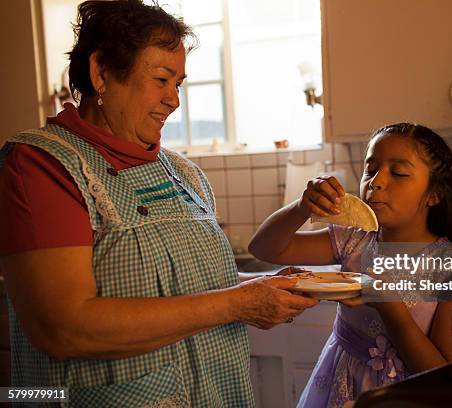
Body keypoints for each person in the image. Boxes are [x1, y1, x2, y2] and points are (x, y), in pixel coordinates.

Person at [0, 1, 317, 406]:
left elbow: (192, 294)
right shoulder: (42, 165)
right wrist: (239, 302)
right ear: (101, 73)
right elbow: (64, 328)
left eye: (178, 84)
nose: (174, 101)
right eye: (161, 79)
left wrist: (263, 290)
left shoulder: (184, 174)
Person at [249, 123, 452, 407]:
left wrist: (391, 308)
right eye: (370, 169)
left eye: (398, 173)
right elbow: (264, 248)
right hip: (340, 391)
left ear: (434, 194)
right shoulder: (353, 240)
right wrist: (302, 207)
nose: (376, 181)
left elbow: (445, 379)